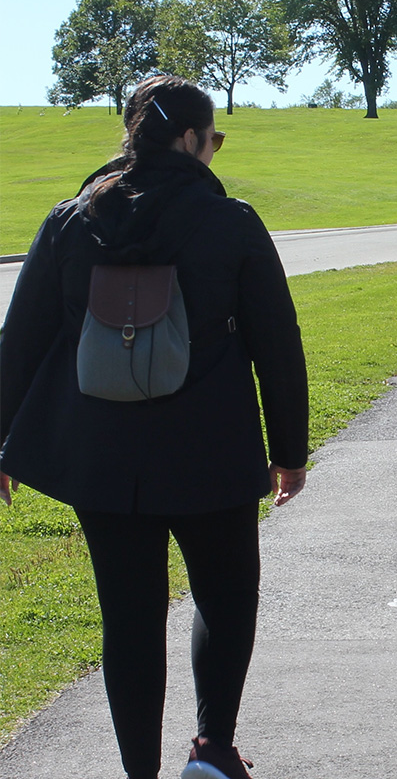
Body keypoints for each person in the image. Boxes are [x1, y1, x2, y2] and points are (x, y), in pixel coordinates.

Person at [0, 74, 310, 779]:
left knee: (130, 620)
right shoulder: (231, 222)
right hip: (213, 452)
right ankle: (212, 750)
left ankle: (139, 771)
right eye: (215, 140)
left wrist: (1, 441)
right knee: (226, 600)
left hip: (102, 459)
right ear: (193, 139)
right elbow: (277, 344)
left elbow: (19, 341)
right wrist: (289, 450)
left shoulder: (70, 221)